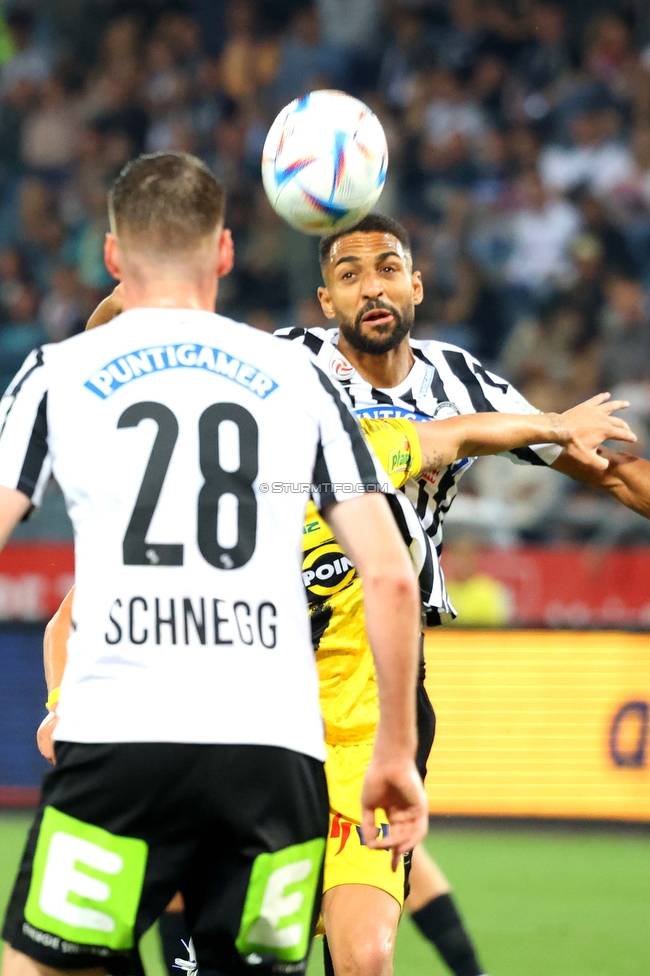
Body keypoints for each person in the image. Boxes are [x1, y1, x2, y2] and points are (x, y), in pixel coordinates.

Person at [35, 282, 635, 976]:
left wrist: (554, 425)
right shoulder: (200, 517)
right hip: (249, 750)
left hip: (358, 743)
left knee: (367, 957)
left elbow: (464, 432)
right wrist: (58, 710)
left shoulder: (358, 456)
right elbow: (68, 619)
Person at [0, 155, 431, 976]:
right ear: (225, 252)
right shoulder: (298, 378)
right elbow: (391, 574)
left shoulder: (57, 375)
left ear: (114, 257)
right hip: (272, 752)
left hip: (121, 737)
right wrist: (395, 756)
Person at [277, 211, 650, 976]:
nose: (371, 288)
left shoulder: (462, 383)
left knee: (367, 957)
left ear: (415, 284)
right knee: (256, 946)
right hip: (264, 679)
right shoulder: (286, 362)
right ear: (324, 302)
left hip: (378, 688)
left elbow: (606, 469)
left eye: (387, 268)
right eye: (349, 276)